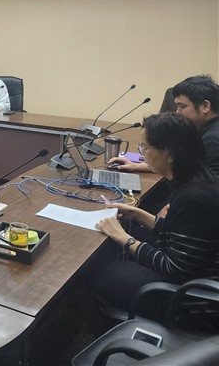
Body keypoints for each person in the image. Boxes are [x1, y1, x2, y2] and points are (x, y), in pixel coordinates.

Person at [91, 112, 219, 313]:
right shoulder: (196, 179)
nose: (142, 155)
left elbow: (173, 267)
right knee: (129, 237)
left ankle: (99, 326)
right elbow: (181, 231)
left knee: (98, 271)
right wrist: (137, 214)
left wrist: (122, 237)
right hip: (192, 274)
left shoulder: (195, 197)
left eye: (145, 148)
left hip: (189, 296)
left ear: (169, 154)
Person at [110, 75, 219, 175]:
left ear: (205, 106)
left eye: (182, 106)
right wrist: (137, 166)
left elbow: (194, 178)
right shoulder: (205, 129)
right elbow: (184, 166)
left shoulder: (212, 142)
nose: (177, 112)